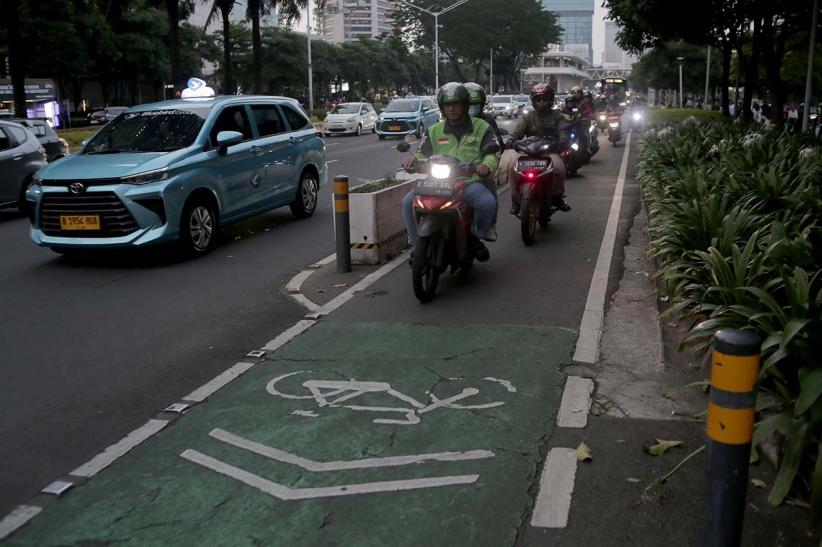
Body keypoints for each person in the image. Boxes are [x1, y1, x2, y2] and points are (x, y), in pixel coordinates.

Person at [401, 82, 499, 262]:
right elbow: (422, 151)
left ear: (464, 105)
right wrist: (413, 160)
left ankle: (475, 236)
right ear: (442, 107)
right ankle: (416, 243)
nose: (452, 108)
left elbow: (492, 152)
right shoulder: (434, 129)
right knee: (408, 202)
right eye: (447, 104)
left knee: (487, 203)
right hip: (437, 181)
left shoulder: (482, 127)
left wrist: (486, 165)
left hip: (468, 180)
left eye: (456, 103)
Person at [508, 83, 571, 216]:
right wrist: (511, 140)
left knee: (559, 168)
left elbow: (562, 131)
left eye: (545, 99)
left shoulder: (557, 115)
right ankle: (515, 200)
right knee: (512, 167)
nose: (542, 102)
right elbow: (517, 132)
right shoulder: (528, 116)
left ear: (551, 100)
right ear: (534, 101)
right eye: (539, 99)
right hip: (529, 152)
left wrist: (563, 141)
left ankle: (557, 197)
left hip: (549, 152)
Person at [464, 81, 505, 241]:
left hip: (479, 167)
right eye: (468, 105)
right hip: (453, 170)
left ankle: (490, 225)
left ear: (481, 105)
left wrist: (485, 163)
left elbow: (497, 143)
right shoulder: (447, 123)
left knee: (489, 187)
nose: (471, 109)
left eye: (475, 105)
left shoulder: (487, 123)